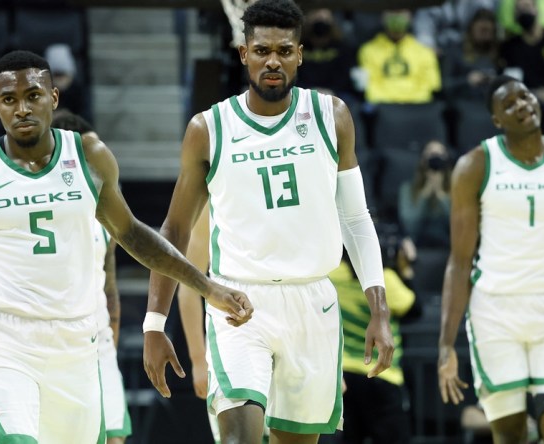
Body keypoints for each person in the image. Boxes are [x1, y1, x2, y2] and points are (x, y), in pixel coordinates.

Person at [0, 50, 252, 444]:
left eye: (33, 95)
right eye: (9, 100)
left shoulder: (89, 158)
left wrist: (207, 286)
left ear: (53, 98)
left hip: (76, 342)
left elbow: (133, 235)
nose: (22, 108)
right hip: (3, 341)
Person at [143, 0, 394, 442]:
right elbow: (175, 231)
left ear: (299, 54)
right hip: (239, 304)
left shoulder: (331, 117)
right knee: (240, 435)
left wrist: (380, 311)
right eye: (261, 51)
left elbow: (355, 218)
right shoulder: (208, 128)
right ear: (244, 54)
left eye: (283, 50)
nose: (272, 60)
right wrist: (153, 323)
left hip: (313, 301)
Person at [437, 75, 544, 444]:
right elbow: (459, 262)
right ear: (497, 120)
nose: (522, 105)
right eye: (509, 104)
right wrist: (446, 345)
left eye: (526, 96)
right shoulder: (475, 165)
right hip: (494, 313)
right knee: (511, 436)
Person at [51, 109, 132, 443]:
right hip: (47, 336)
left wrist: (111, 327)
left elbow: (108, 277)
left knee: (114, 434)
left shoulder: (102, 208)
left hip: (94, 332)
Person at [331, 248, 414, 444]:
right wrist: (407, 271)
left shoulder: (332, 275)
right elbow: (414, 309)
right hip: (382, 374)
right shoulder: (384, 278)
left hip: (342, 375)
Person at [357, 9, 441, 104]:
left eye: (401, 11)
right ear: (381, 17)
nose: (396, 17)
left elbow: (430, 87)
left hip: (417, 109)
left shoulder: (425, 52)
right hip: (383, 109)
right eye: (391, 11)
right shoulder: (367, 50)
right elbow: (368, 87)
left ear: (411, 16)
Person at [398, 140, 452, 249]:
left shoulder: (455, 189)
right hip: (418, 245)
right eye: (431, 155)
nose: (435, 160)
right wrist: (424, 194)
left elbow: (458, 227)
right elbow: (410, 227)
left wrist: (442, 196)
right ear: (423, 160)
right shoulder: (407, 189)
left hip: (449, 246)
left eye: (440, 156)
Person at [441, 8, 500, 101]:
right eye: (482, 31)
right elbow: (445, 85)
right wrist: (467, 81)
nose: (485, 36)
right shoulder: (455, 51)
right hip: (464, 105)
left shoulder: (499, 53)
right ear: (471, 30)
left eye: (488, 31)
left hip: (492, 105)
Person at [45, 44, 93, 125]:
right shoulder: (44, 91)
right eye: (56, 75)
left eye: (63, 74)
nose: (60, 80)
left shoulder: (79, 92)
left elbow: (86, 120)